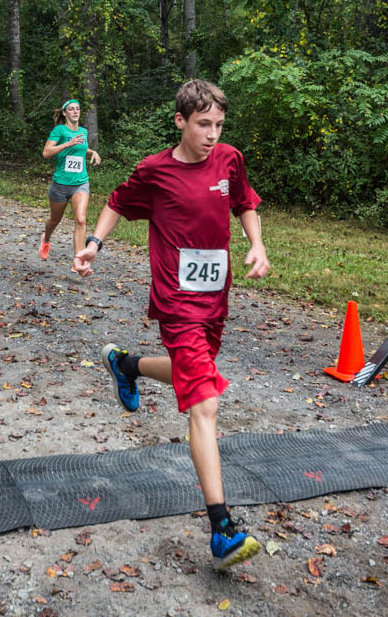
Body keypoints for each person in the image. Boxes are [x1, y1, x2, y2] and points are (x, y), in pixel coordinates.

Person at [73, 79, 270, 570]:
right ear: (180, 121)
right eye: (203, 124)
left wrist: (256, 243)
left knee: (192, 374)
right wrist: (94, 245)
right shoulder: (155, 170)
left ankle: (127, 364)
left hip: (215, 298)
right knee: (205, 401)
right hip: (176, 300)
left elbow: (245, 202)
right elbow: (117, 202)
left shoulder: (230, 160)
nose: (212, 134)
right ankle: (222, 527)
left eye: (219, 125)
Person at [38, 99, 100, 260]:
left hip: (80, 183)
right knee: (54, 220)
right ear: (65, 113)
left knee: (80, 219)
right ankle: (46, 239)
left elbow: (81, 148)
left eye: (78, 109)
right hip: (60, 185)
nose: (75, 111)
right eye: (71, 109)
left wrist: (92, 152)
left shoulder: (83, 132)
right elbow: (46, 153)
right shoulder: (59, 130)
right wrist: (67, 144)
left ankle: (78, 258)